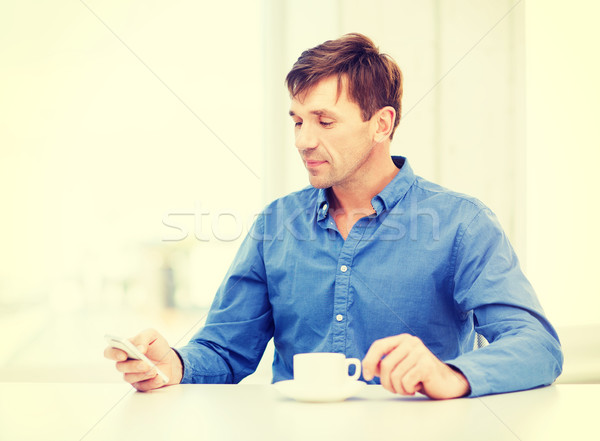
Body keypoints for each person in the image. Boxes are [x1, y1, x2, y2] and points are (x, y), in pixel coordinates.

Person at [105, 33, 563, 399]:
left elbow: (536, 346)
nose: (304, 141)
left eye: (324, 122)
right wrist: (175, 365)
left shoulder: (462, 223)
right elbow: (225, 350)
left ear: (381, 124)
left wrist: (452, 375)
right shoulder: (275, 225)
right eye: (297, 120)